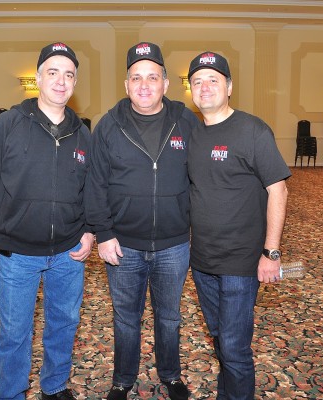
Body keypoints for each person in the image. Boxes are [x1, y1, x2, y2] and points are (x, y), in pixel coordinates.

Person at [0, 42, 94, 400]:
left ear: (75, 83)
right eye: (53, 72)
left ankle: (54, 386)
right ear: (38, 78)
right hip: (16, 251)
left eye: (68, 75)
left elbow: (92, 189)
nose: (61, 81)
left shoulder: (83, 133)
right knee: (15, 331)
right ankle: (10, 392)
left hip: (68, 252)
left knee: (64, 324)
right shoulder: (9, 124)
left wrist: (89, 231)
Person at [85, 42, 199, 400]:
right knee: (125, 318)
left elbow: (205, 179)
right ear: (126, 85)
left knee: (169, 317)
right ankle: (122, 380)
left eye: (152, 77)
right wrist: (104, 234)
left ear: (166, 83)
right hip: (123, 244)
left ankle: (171, 375)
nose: (144, 84)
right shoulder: (108, 126)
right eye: (136, 77)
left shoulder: (187, 122)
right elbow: (95, 184)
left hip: (174, 244)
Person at [186, 51, 291, 399]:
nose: (205, 87)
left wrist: (271, 252)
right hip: (202, 260)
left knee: (234, 347)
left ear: (229, 87)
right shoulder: (193, 134)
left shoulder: (253, 130)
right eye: (197, 81)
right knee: (220, 337)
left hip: (241, 262)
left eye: (213, 80)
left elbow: (278, 190)